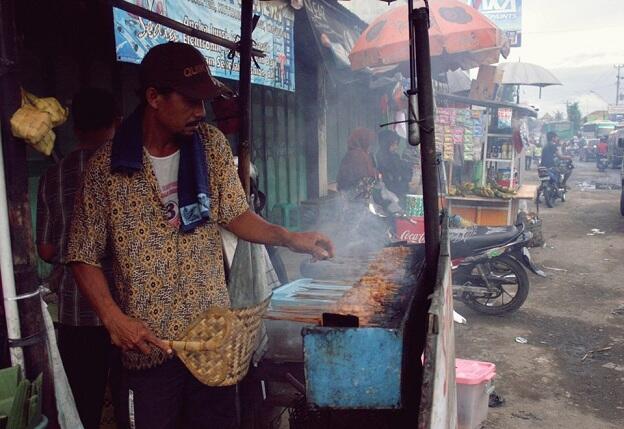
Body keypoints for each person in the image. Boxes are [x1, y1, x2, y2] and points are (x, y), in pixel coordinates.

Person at [66, 42, 334, 429]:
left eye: (204, 101)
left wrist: (289, 238)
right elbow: (82, 254)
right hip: (149, 349)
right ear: (154, 97)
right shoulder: (106, 169)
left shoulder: (209, 146)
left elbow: (235, 213)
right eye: (191, 101)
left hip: (211, 344)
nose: (201, 112)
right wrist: (112, 318)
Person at [37, 87, 121, 429]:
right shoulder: (126, 168)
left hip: (76, 310)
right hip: (126, 311)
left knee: (82, 406)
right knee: (131, 403)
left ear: (75, 129)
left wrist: (72, 248)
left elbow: (45, 251)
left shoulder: (52, 175)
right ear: (117, 123)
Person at [336, 127, 377, 196]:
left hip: (351, 195)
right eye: (369, 143)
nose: (370, 146)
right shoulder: (358, 156)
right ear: (363, 141)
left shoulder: (353, 154)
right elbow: (363, 177)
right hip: (355, 196)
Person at [376, 129, 413, 198]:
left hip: (399, 190)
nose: (396, 147)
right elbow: (392, 177)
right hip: (391, 193)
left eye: (397, 144)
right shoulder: (382, 158)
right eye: (393, 144)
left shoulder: (395, 156)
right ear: (386, 144)